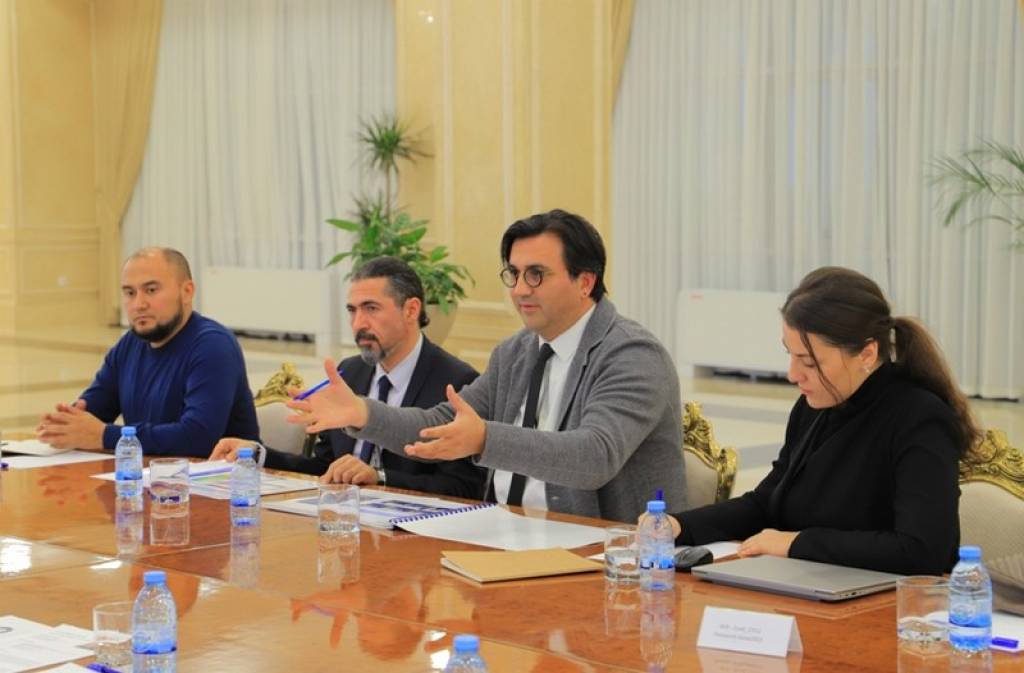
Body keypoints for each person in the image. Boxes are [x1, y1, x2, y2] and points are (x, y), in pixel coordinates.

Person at [286, 209, 685, 522]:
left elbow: (594, 455)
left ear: (585, 281)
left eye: (537, 275)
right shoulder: (515, 352)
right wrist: (363, 413)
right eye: (514, 274)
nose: (520, 289)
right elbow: (439, 424)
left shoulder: (632, 354)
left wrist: (484, 439)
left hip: (609, 556)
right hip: (502, 534)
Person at [667, 267, 979, 575]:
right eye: (790, 355)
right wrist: (679, 526)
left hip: (891, 599)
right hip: (810, 585)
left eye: (809, 362)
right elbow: (766, 504)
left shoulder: (920, 418)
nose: (793, 374)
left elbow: (921, 551)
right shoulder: (814, 406)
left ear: (867, 354)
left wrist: (796, 544)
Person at [211, 256, 484, 499]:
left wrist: (380, 477)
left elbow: (465, 488)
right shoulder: (350, 373)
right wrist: (257, 454)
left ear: (411, 310)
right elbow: (324, 467)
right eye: (352, 310)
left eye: (371, 308)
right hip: (343, 519)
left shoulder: (457, 382)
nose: (358, 324)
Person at [36, 247, 259, 457]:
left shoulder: (213, 346)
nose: (138, 304)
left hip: (222, 480)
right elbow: (96, 409)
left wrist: (106, 436)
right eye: (130, 293)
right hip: (147, 476)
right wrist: (66, 424)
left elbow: (198, 437)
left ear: (186, 292)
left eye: (151, 290)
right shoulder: (130, 344)